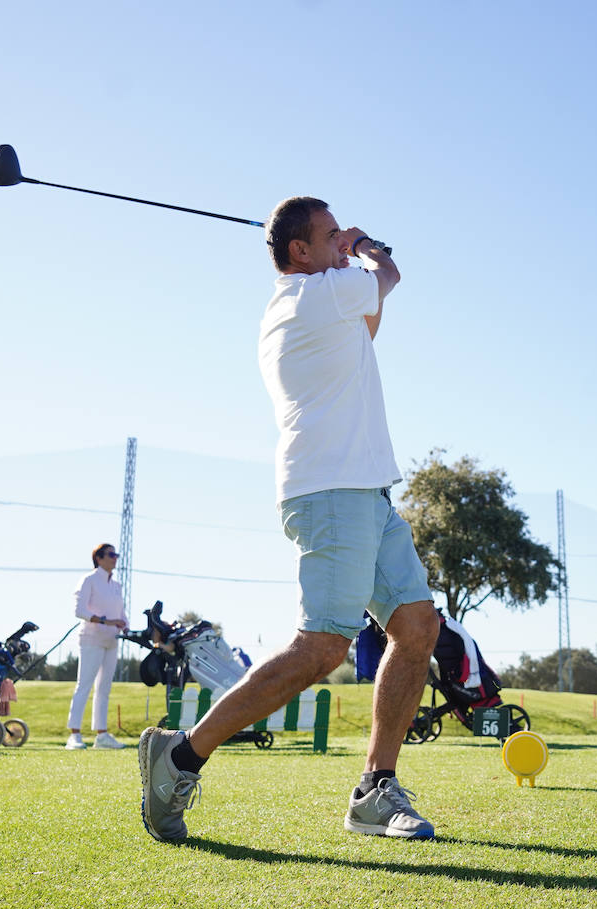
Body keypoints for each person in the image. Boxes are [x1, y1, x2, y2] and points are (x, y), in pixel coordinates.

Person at [138, 197, 441, 843]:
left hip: (366, 492)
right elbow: (387, 277)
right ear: (301, 251)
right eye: (330, 235)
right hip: (330, 493)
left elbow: (371, 317)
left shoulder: (322, 303)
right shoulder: (312, 297)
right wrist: (368, 246)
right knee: (323, 647)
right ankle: (181, 755)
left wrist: (350, 252)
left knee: (417, 626)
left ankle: (374, 790)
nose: (341, 241)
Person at [66, 542, 128, 750]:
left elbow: (120, 613)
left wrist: (124, 624)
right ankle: (74, 735)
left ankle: (101, 735)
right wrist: (105, 621)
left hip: (112, 642)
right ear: (99, 558)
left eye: (116, 554)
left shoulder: (117, 586)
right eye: (111, 554)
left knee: (104, 689)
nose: (115, 558)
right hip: (91, 639)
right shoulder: (89, 580)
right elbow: (79, 610)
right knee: (84, 685)